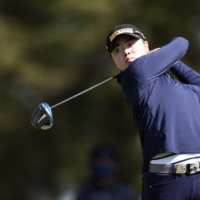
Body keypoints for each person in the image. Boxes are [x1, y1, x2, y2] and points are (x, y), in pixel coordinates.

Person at [105, 24, 200, 200]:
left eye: (130, 44)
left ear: (146, 46)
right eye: (118, 50)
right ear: (114, 61)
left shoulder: (180, 87)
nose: (126, 52)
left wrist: (174, 63)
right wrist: (165, 53)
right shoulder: (135, 74)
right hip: (167, 181)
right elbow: (181, 43)